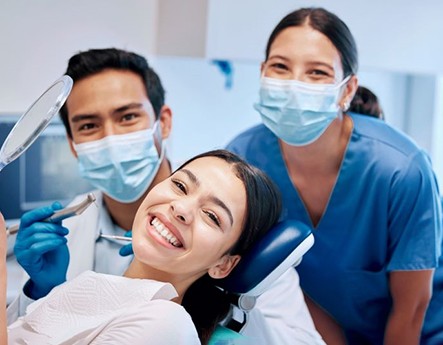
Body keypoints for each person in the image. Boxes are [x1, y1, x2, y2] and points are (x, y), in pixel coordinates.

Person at [8, 48, 324, 344]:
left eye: (128, 116)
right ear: (73, 143)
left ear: (164, 121)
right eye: (89, 125)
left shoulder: (236, 254)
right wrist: (43, 293)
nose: (111, 137)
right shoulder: (67, 238)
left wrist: (231, 306)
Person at [226, 7, 443, 345]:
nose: (295, 84)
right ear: (262, 72)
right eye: (280, 67)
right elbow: (282, 280)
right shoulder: (245, 160)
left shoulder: (401, 169)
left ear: (347, 90)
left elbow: (412, 306)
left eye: (317, 73)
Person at [1, 149, 281, 344]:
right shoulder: (89, 285)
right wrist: (45, 292)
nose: (181, 208)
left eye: (211, 216)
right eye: (181, 186)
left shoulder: (164, 324)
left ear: (223, 264)